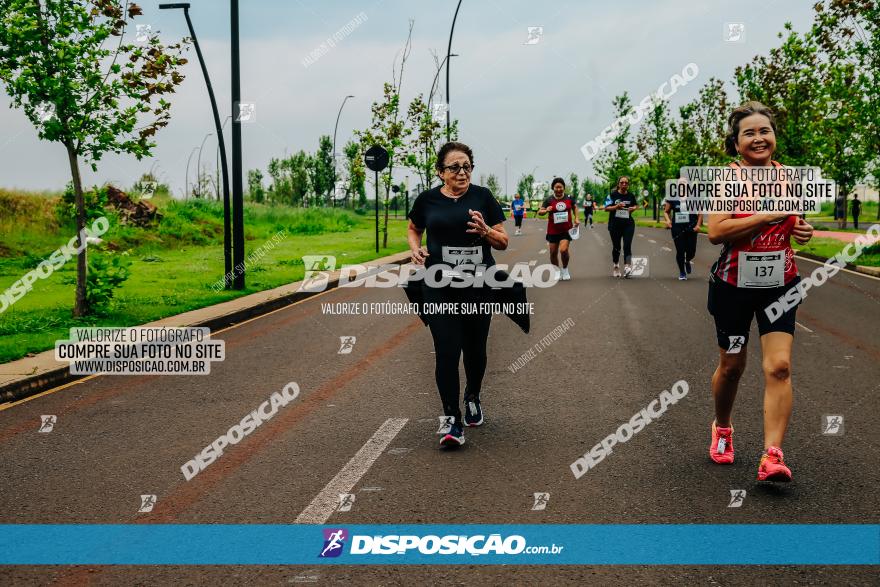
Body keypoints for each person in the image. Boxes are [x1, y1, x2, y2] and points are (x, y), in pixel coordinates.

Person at [706, 101, 814, 482]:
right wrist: (763, 215)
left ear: (774, 138)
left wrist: (803, 230)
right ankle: (722, 428)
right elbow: (716, 230)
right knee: (733, 367)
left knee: (779, 367)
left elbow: (796, 222)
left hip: (780, 284)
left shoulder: (789, 178)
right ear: (736, 144)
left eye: (764, 131)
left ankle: (772, 456)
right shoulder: (725, 180)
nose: (758, 138)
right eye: (748, 133)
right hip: (733, 287)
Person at [408, 141, 508, 448]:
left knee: (475, 350)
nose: (462, 172)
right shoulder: (427, 200)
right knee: (447, 349)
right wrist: (415, 249)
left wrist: (486, 232)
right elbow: (413, 227)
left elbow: (503, 242)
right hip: (439, 286)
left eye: (467, 166)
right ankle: (451, 419)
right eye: (454, 167)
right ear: (440, 172)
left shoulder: (483, 197)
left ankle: (473, 396)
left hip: (478, 285)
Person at [538, 177, 579, 281]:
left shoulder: (569, 198)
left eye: (560, 187)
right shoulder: (549, 199)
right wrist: (546, 210)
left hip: (566, 229)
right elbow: (540, 212)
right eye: (556, 187)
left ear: (563, 188)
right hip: (553, 230)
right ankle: (556, 271)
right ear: (553, 188)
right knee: (553, 253)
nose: (559, 189)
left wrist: (577, 218)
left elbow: (575, 207)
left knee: (563, 250)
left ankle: (565, 269)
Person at [663, 188, 703, 280]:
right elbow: (666, 211)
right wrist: (668, 220)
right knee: (680, 250)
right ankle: (682, 272)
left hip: (691, 227)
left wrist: (698, 225)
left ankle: (688, 260)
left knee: (691, 251)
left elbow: (700, 212)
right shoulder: (672, 197)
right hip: (677, 228)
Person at [603, 177, 638, 278]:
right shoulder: (612, 195)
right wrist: (616, 207)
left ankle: (627, 267)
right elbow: (606, 208)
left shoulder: (631, 195)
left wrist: (633, 208)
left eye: (626, 183)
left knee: (627, 245)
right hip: (615, 225)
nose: (624, 184)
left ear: (628, 185)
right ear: (618, 184)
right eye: (622, 182)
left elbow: (636, 205)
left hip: (628, 224)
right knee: (617, 247)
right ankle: (616, 265)